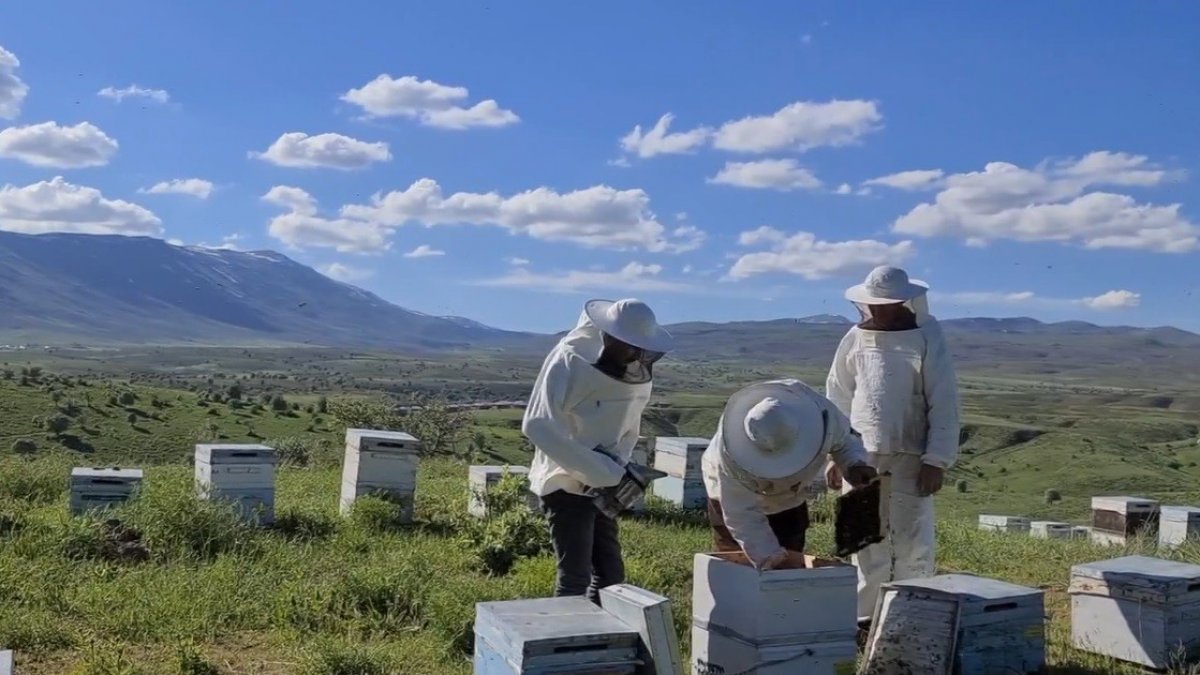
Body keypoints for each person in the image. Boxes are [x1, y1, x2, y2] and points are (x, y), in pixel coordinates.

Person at [825, 265, 960, 623]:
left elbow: (944, 399)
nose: (879, 310)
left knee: (911, 540)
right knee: (864, 539)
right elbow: (837, 396)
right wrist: (835, 454)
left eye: (887, 303)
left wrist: (937, 459)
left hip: (911, 456)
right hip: (859, 454)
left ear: (905, 301)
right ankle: (864, 620)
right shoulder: (854, 337)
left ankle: (911, 618)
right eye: (874, 303)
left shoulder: (929, 335)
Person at [522, 298, 674, 603]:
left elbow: (631, 424)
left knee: (610, 575)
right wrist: (598, 470)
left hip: (606, 483)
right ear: (609, 335)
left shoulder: (636, 370)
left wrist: (619, 468)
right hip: (564, 481)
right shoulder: (569, 359)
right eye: (629, 345)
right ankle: (566, 644)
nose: (635, 354)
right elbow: (537, 424)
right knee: (575, 577)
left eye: (640, 347)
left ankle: (600, 645)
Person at [702, 379, 878, 570]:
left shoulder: (819, 412)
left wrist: (854, 464)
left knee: (791, 568)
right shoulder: (729, 458)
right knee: (736, 568)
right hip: (730, 499)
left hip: (790, 498)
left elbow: (845, 440)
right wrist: (770, 557)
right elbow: (741, 515)